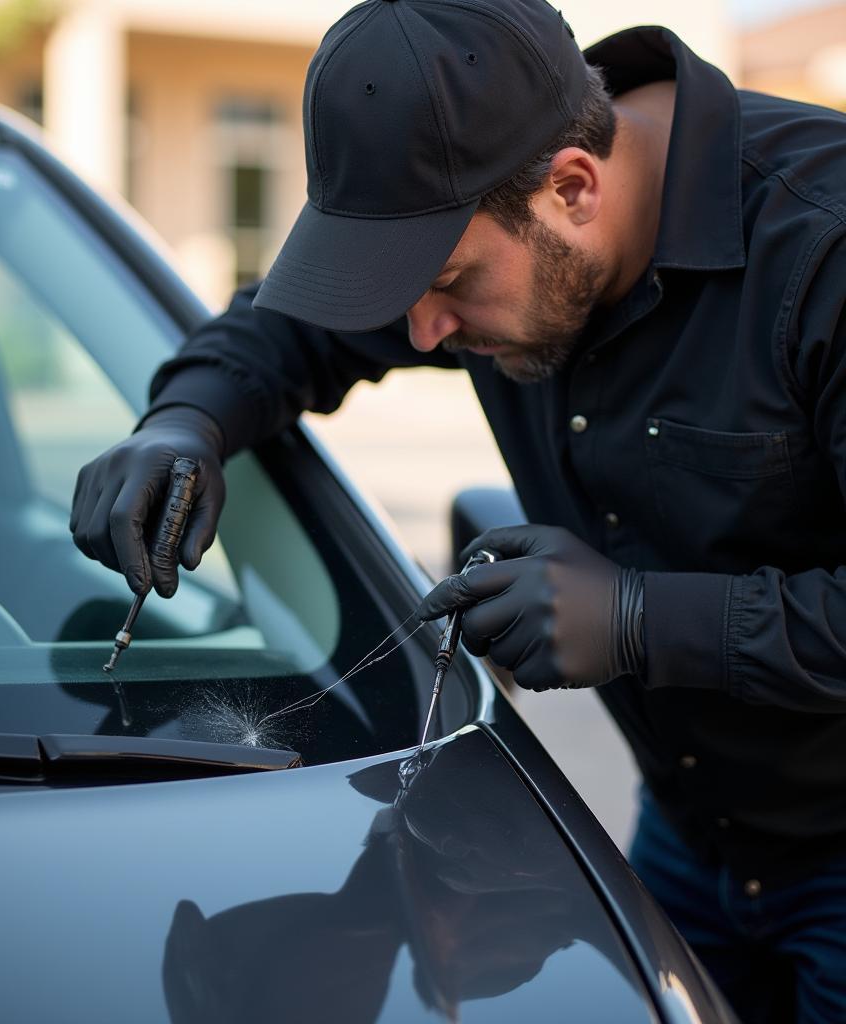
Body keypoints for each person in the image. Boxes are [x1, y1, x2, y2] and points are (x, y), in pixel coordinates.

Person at [69, 1, 846, 1019]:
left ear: (572, 187)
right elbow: (289, 331)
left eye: (447, 285)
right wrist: (185, 421)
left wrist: (642, 618)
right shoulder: (496, 223)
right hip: (686, 841)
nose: (424, 331)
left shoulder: (822, 250)